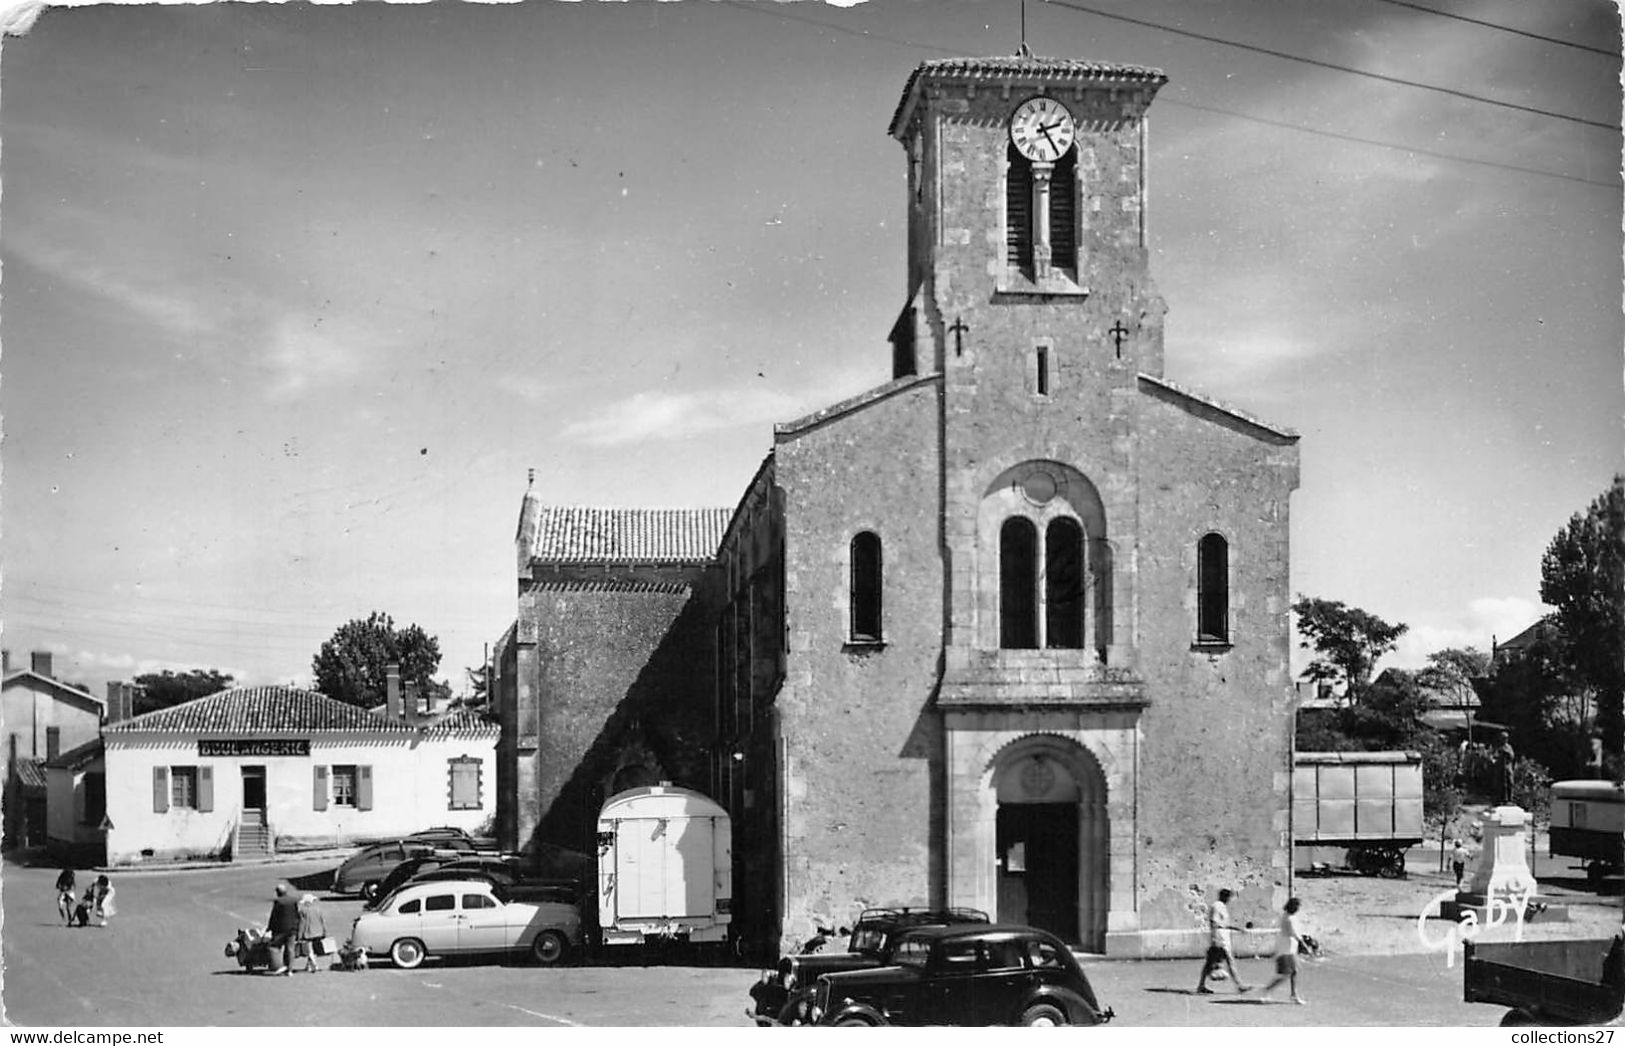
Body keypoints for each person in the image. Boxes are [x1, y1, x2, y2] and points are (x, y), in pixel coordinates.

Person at [1195, 888, 1251, 994]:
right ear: (1225, 897)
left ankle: (1201, 985)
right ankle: (1240, 985)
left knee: (1209, 963)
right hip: (1220, 939)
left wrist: (1238, 929)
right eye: (1229, 897)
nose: (1229, 900)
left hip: (1223, 937)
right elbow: (1214, 923)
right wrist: (1215, 939)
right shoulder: (1217, 906)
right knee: (1229, 961)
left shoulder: (1222, 907)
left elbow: (1224, 924)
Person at [1257, 897, 1308, 1005]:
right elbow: (1294, 933)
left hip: (1290, 948)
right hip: (1286, 949)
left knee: (1295, 971)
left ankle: (1294, 994)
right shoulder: (1288, 918)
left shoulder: (1288, 916)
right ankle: (1267, 990)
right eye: (1297, 906)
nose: (1298, 909)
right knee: (1285, 974)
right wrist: (1304, 945)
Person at [265, 882, 301, 975]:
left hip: (280, 929)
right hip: (292, 929)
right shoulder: (293, 900)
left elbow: (274, 916)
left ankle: (279, 966)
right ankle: (289, 969)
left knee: (274, 947)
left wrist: (269, 927)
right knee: (290, 949)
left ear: (278, 892)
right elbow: (296, 914)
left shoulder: (278, 901)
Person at [296, 893, 327, 973]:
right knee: (312, 950)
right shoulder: (318, 909)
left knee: (309, 951)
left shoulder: (302, 910)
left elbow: (301, 923)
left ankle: (315, 965)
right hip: (319, 932)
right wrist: (324, 931)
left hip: (308, 932)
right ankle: (308, 966)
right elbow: (322, 921)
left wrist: (299, 935)